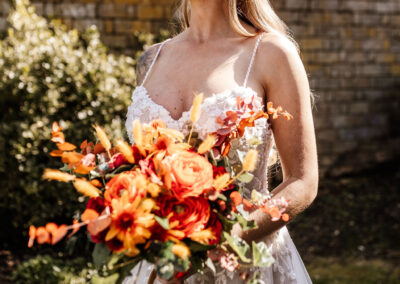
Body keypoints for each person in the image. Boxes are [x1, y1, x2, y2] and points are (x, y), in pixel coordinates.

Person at [124, 0, 318, 283]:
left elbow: (303, 182)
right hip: (160, 267)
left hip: (245, 264)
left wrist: (216, 242)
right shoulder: (151, 59)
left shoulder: (272, 52)